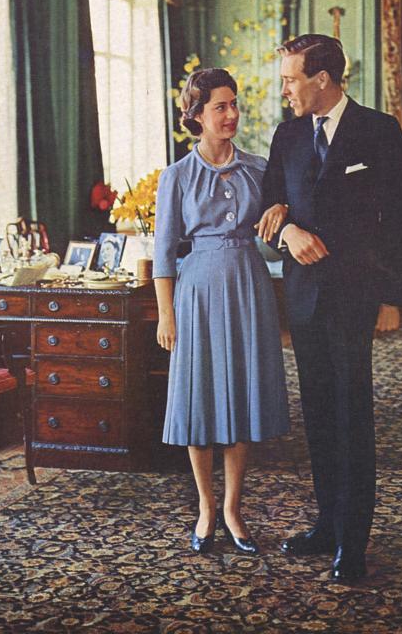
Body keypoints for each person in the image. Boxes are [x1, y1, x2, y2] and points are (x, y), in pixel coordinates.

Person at [258, 34, 402, 583]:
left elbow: (400, 220)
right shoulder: (287, 135)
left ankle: (353, 541)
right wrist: (289, 233)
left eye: (290, 79)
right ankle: (326, 525)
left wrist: (393, 298)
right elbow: (268, 208)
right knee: (319, 415)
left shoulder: (379, 131)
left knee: (353, 416)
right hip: (303, 299)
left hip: (355, 297)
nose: (285, 90)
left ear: (322, 79)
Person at [153, 67, 290, 555]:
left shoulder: (258, 167)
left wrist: (285, 214)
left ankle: (233, 507)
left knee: (241, 394)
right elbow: (164, 253)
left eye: (234, 104)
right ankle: (205, 506)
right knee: (200, 397)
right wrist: (166, 315)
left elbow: (279, 218)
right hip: (197, 293)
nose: (231, 114)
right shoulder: (177, 176)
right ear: (196, 115)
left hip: (248, 286)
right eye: (220, 107)